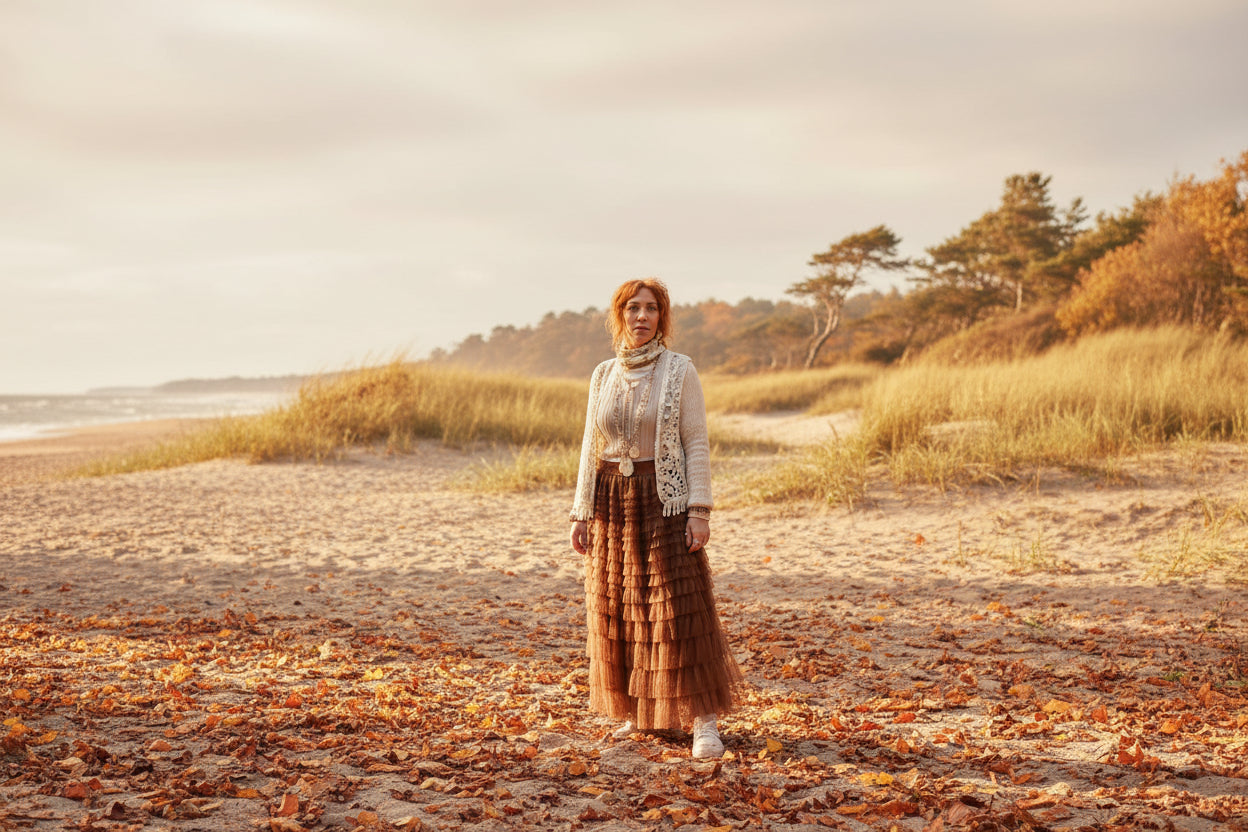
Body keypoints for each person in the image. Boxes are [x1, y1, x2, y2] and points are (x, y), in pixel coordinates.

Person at [569, 278, 742, 759]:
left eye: (651, 309)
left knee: (677, 606)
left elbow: (697, 442)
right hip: (612, 499)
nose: (641, 317)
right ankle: (640, 713)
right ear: (618, 315)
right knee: (623, 606)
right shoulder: (602, 374)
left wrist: (699, 510)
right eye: (632, 308)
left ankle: (704, 722)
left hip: (664, 498)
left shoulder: (680, 370)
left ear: (662, 317)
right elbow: (590, 445)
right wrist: (581, 511)